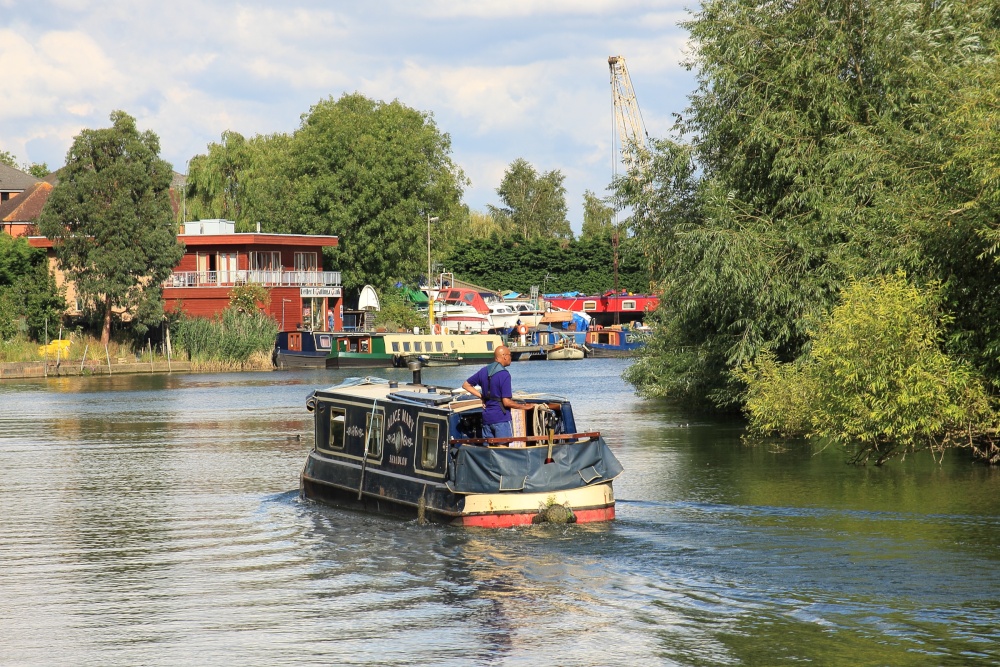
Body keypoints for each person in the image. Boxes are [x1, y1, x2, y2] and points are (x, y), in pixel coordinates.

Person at [462, 345, 533, 440]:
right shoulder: (504, 374)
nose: (510, 357)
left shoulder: (484, 371)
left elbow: (466, 385)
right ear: (504, 356)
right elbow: (506, 402)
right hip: (501, 419)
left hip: (487, 419)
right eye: (510, 355)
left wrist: (482, 397)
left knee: (490, 451)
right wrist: (525, 407)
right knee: (503, 451)